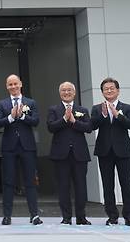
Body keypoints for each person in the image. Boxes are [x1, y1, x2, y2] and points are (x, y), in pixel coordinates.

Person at [0, 74, 42, 225]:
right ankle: (7, 215)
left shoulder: (31, 102)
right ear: (6, 86)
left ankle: (34, 214)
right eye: (10, 84)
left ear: (20, 84)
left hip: (27, 146)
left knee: (30, 181)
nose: (13, 87)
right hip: (9, 147)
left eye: (15, 84)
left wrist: (22, 116)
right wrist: (10, 117)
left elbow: (35, 121)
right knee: (8, 181)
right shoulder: (2, 104)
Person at [91, 77, 130, 226]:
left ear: (118, 90)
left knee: (126, 184)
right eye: (106, 89)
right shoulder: (97, 108)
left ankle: (129, 216)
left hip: (123, 151)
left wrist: (117, 115)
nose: (109, 90)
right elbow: (92, 126)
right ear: (102, 92)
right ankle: (112, 215)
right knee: (107, 185)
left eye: (112, 88)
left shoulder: (127, 107)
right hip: (104, 151)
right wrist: (104, 115)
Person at [47, 81, 92, 225]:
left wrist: (74, 121)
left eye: (69, 90)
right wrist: (65, 119)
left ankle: (81, 216)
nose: (66, 93)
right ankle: (66, 217)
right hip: (61, 155)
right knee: (63, 187)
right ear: (60, 93)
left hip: (79, 154)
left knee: (81, 187)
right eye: (64, 90)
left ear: (74, 92)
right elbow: (51, 127)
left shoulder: (82, 109)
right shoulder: (53, 109)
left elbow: (88, 127)